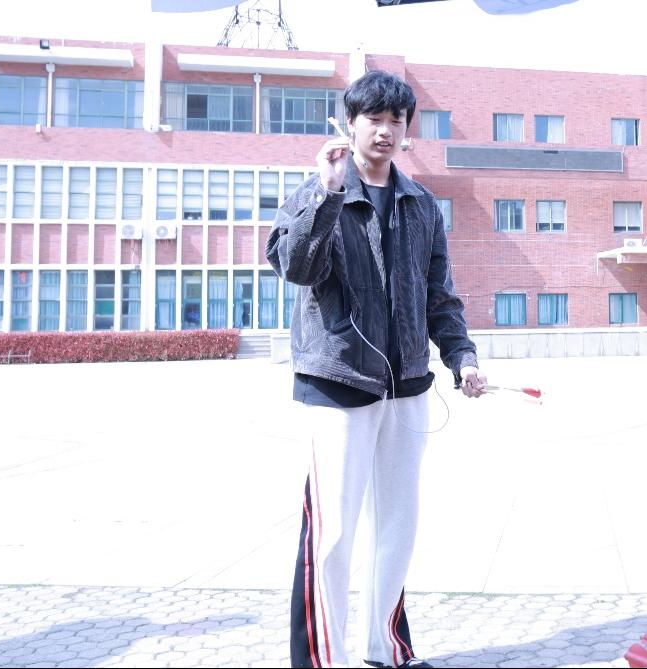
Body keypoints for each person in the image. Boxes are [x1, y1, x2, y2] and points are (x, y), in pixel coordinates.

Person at [266, 69, 486, 669]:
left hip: (407, 386)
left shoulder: (421, 205)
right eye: (374, 119)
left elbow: (439, 295)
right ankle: (321, 660)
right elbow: (296, 267)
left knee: (397, 528)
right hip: (338, 382)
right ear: (350, 123)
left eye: (396, 120)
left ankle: (386, 651)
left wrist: (462, 357)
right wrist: (327, 192)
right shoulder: (318, 190)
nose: (386, 130)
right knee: (333, 533)